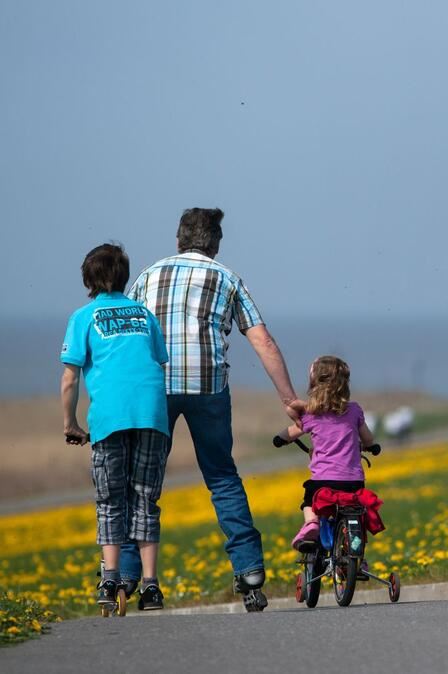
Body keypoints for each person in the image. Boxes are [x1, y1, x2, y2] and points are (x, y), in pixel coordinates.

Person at [120, 207, 303, 612]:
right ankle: (250, 571)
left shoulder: (147, 275)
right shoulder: (227, 278)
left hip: (156, 389)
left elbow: (128, 337)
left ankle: (131, 575)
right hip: (208, 387)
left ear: (179, 239)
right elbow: (264, 342)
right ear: (215, 244)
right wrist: (290, 400)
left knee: (143, 483)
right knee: (222, 478)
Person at [60, 244, 172, 612]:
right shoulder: (143, 314)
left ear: (87, 280)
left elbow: (69, 379)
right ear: (124, 276)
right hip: (152, 415)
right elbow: (157, 361)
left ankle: (110, 579)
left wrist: (71, 423)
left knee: (110, 500)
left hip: (109, 419)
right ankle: (151, 587)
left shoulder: (84, 316)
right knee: (144, 499)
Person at [273, 356, 382, 554]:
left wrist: (280, 439)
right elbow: (367, 438)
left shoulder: (312, 415)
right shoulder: (354, 410)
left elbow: (291, 432)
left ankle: (311, 523)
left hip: (323, 482)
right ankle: (357, 556)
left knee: (308, 501)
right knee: (356, 513)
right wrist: (371, 446)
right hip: (354, 482)